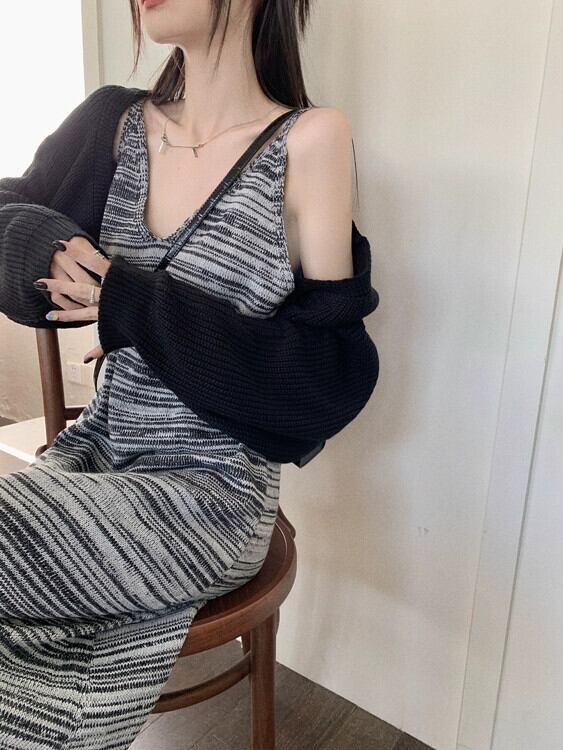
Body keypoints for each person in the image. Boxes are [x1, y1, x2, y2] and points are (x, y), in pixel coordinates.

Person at [0, 0, 378, 748]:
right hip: (93, 460)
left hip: (213, 494)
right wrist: (41, 242)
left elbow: (323, 382)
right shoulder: (111, 124)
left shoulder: (309, 141)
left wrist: (134, 304)